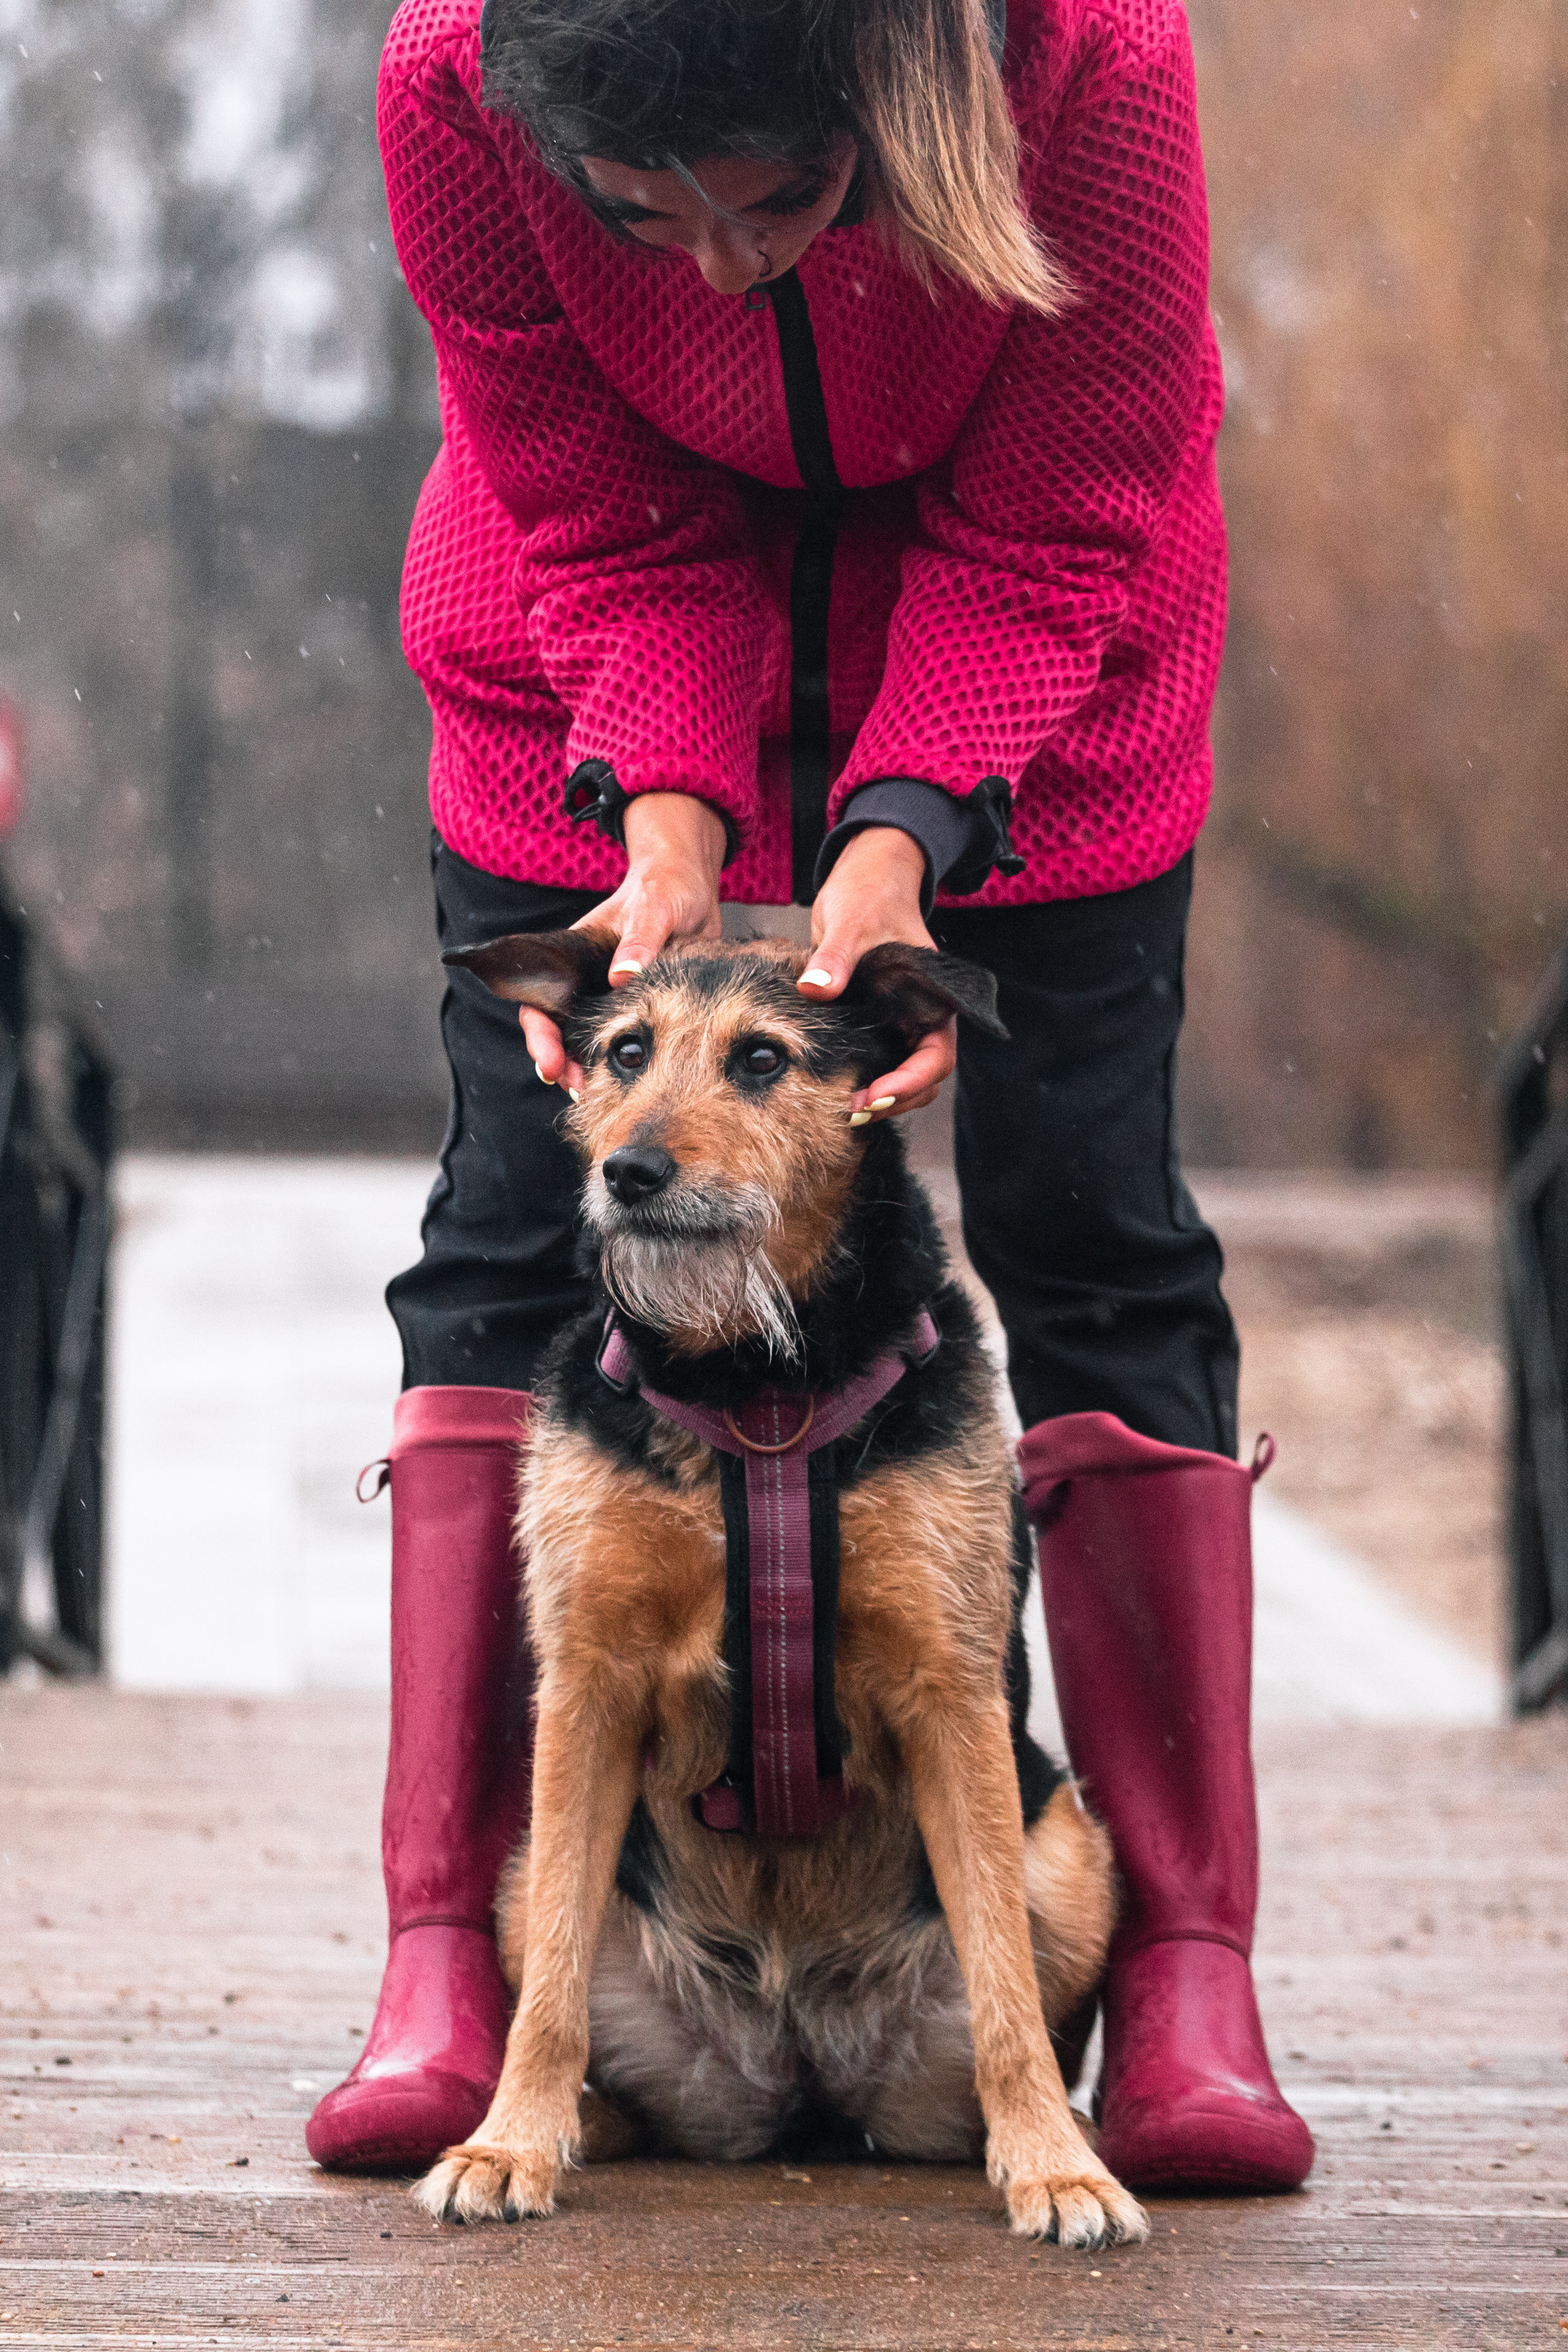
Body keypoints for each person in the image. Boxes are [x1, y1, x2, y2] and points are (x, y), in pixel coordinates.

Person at [305, 0, 1314, 2195]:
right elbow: (581, 492)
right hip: (583, 645)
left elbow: (1063, 514)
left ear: (884, 89)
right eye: (638, 215)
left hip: (1046, 651)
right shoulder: (446, 80)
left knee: (1096, 1226)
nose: (722, 269)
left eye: (781, 201)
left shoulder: (1094, 68)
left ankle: (1184, 1965)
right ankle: (454, 1950)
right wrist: (667, 823)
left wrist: (894, 849)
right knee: (504, 1224)